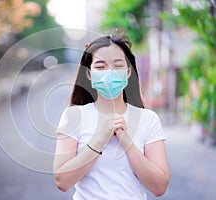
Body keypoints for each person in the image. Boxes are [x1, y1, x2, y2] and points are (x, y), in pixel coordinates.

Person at [53, 33, 170, 200]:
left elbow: (159, 186)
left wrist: (126, 140)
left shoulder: (147, 119)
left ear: (128, 72)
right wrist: (99, 139)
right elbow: (62, 181)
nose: (109, 73)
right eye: (100, 67)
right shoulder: (74, 116)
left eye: (117, 65)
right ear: (89, 74)